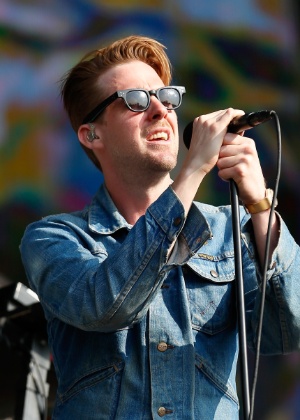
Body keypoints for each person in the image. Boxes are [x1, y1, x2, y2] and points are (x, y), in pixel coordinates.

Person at [20, 35, 300, 419]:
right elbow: (106, 306)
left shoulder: (230, 228)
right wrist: (193, 170)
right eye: (136, 100)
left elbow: (287, 331)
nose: (159, 110)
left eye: (167, 98)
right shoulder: (55, 237)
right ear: (92, 134)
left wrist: (260, 206)